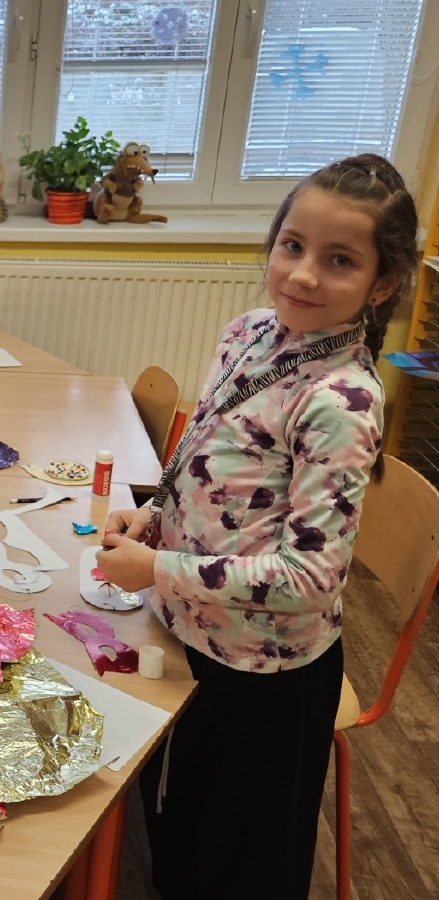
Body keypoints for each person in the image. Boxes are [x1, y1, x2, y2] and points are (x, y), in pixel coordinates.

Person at [97, 154, 418, 900]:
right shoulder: (249, 331)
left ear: (384, 284)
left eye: (339, 260)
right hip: (192, 630)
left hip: (260, 675)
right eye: (292, 245)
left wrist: (157, 571)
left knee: (231, 866)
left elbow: (310, 580)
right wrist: (154, 518)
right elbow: (213, 460)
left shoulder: (341, 402)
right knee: (176, 832)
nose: (302, 274)